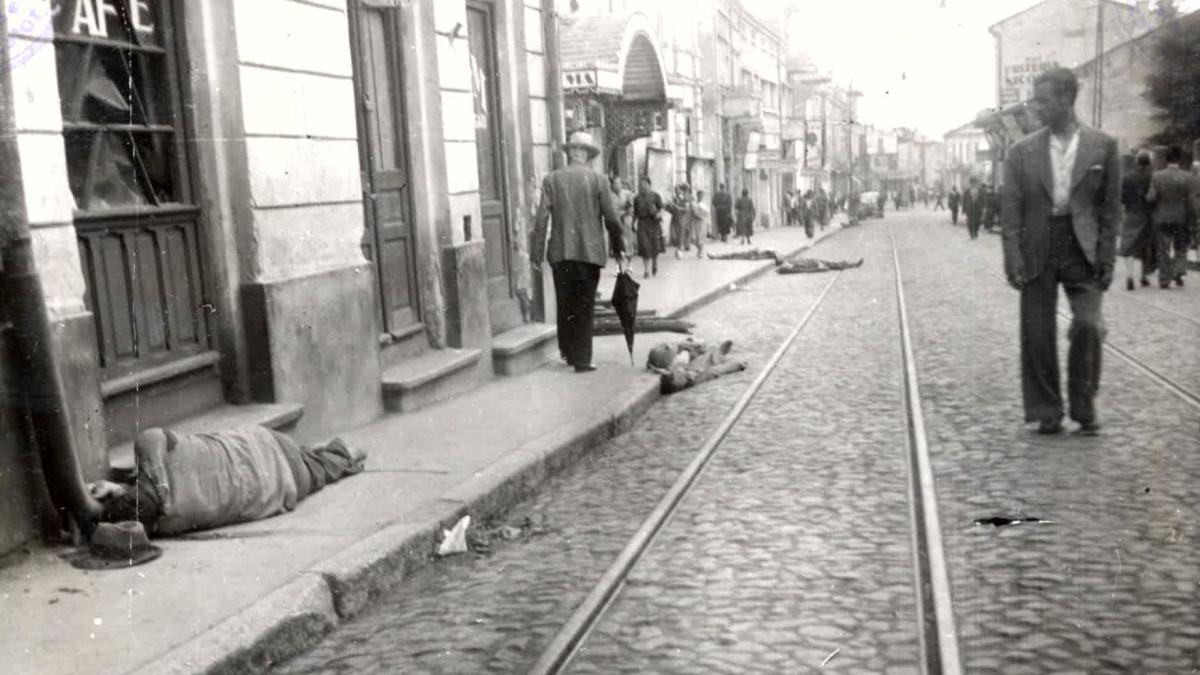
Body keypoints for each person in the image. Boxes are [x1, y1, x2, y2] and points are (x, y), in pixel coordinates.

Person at [1001, 67, 1119, 436]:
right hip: (1038, 244)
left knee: (1088, 324)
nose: (1036, 107)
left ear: (1067, 100)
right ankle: (1046, 409)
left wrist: (1107, 257)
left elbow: (1110, 209)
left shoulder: (1103, 145)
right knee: (1037, 331)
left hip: (1081, 246)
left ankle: (1084, 406)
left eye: (1043, 100)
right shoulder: (1022, 151)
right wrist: (1013, 256)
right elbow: (1011, 211)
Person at [88, 426, 365, 536]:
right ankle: (337, 453)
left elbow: (149, 505)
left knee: (320, 466)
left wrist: (120, 495)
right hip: (263, 444)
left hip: (282, 479)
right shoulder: (154, 450)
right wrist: (128, 488)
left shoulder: (169, 525)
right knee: (310, 458)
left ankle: (339, 456)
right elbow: (152, 440)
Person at [531, 130, 625, 373]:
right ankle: (582, 359)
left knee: (565, 302)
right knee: (584, 305)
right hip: (589, 252)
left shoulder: (552, 179)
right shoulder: (598, 179)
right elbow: (612, 219)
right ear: (586, 154)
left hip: (560, 252)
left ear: (571, 152)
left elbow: (541, 219)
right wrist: (619, 248)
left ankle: (567, 351)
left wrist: (536, 253)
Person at [1147, 144, 1196, 288]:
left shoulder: (1157, 176)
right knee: (1181, 246)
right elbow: (1191, 201)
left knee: (1164, 250)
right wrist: (1193, 218)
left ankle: (1164, 279)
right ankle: (1178, 270)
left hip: (1162, 218)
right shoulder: (1187, 177)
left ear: (1166, 159)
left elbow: (1150, 198)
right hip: (1181, 218)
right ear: (1180, 159)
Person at [646, 339, 746, 394]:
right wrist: (737, 365)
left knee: (706, 354)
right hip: (699, 367)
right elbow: (715, 371)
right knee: (713, 364)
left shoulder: (682, 358)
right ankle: (719, 352)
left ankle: (716, 350)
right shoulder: (685, 373)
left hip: (692, 363)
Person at [1119, 151, 1156, 290]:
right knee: (1145, 245)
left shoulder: (1127, 177)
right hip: (1147, 215)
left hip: (1131, 214)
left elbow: (1122, 198)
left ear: (1136, 161)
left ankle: (1129, 276)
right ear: (1149, 162)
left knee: (1128, 246)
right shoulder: (1152, 177)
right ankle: (1143, 276)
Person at [633, 176, 665, 278]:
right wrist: (633, 223)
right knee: (644, 247)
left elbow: (662, 208)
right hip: (642, 223)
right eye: (641, 184)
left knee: (654, 246)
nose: (643, 186)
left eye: (645, 184)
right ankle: (646, 270)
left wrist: (659, 214)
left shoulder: (655, 196)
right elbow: (635, 212)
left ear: (649, 185)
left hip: (654, 223)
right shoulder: (637, 198)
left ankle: (654, 262)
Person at [611, 176, 636, 266]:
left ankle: (629, 264)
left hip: (626, 219)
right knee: (617, 242)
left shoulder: (626, 193)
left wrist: (628, 211)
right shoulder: (610, 196)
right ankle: (619, 265)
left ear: (621, 184)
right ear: (612, 185)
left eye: (618, 183)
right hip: (616, 220)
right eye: (615, 183)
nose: (617, 185)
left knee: (628, 241)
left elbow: (631, 205)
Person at [688, 190, 710, 258]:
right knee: (693, 238)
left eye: (702, 196)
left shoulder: (704, 204)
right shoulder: (693, 203)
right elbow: (692, 212)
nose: (701, 197)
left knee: (701, 237)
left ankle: (700, 251)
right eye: (699, 195)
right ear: (697, 195)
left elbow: (707, 213)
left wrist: (703, 216)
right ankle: (699, 249)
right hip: (694, 222)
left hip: (702, 222)